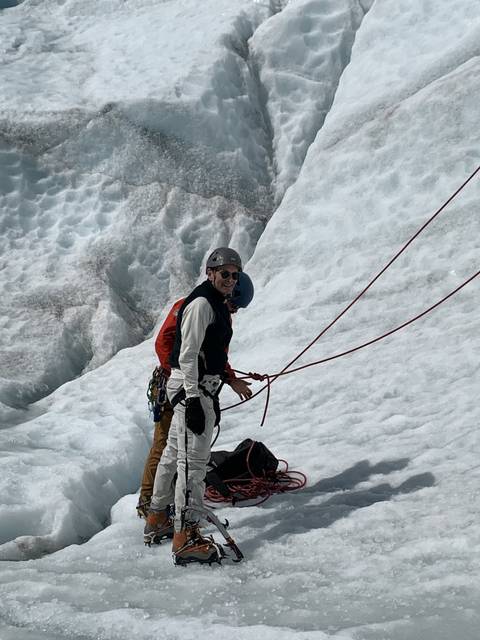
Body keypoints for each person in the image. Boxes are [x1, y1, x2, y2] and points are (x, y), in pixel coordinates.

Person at [143, 248, 253, 565]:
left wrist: (226, 380)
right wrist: (193, 397)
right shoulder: (203, 304)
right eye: (224, 273)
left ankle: (157, 518)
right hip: (193, 390)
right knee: (192, 464)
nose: (230, 280)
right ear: (210, 273)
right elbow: (188, 354)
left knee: (173, 455)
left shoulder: (212, 303)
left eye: (234, 275)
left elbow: (207, 353)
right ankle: (186, 536)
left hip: (191, 387)